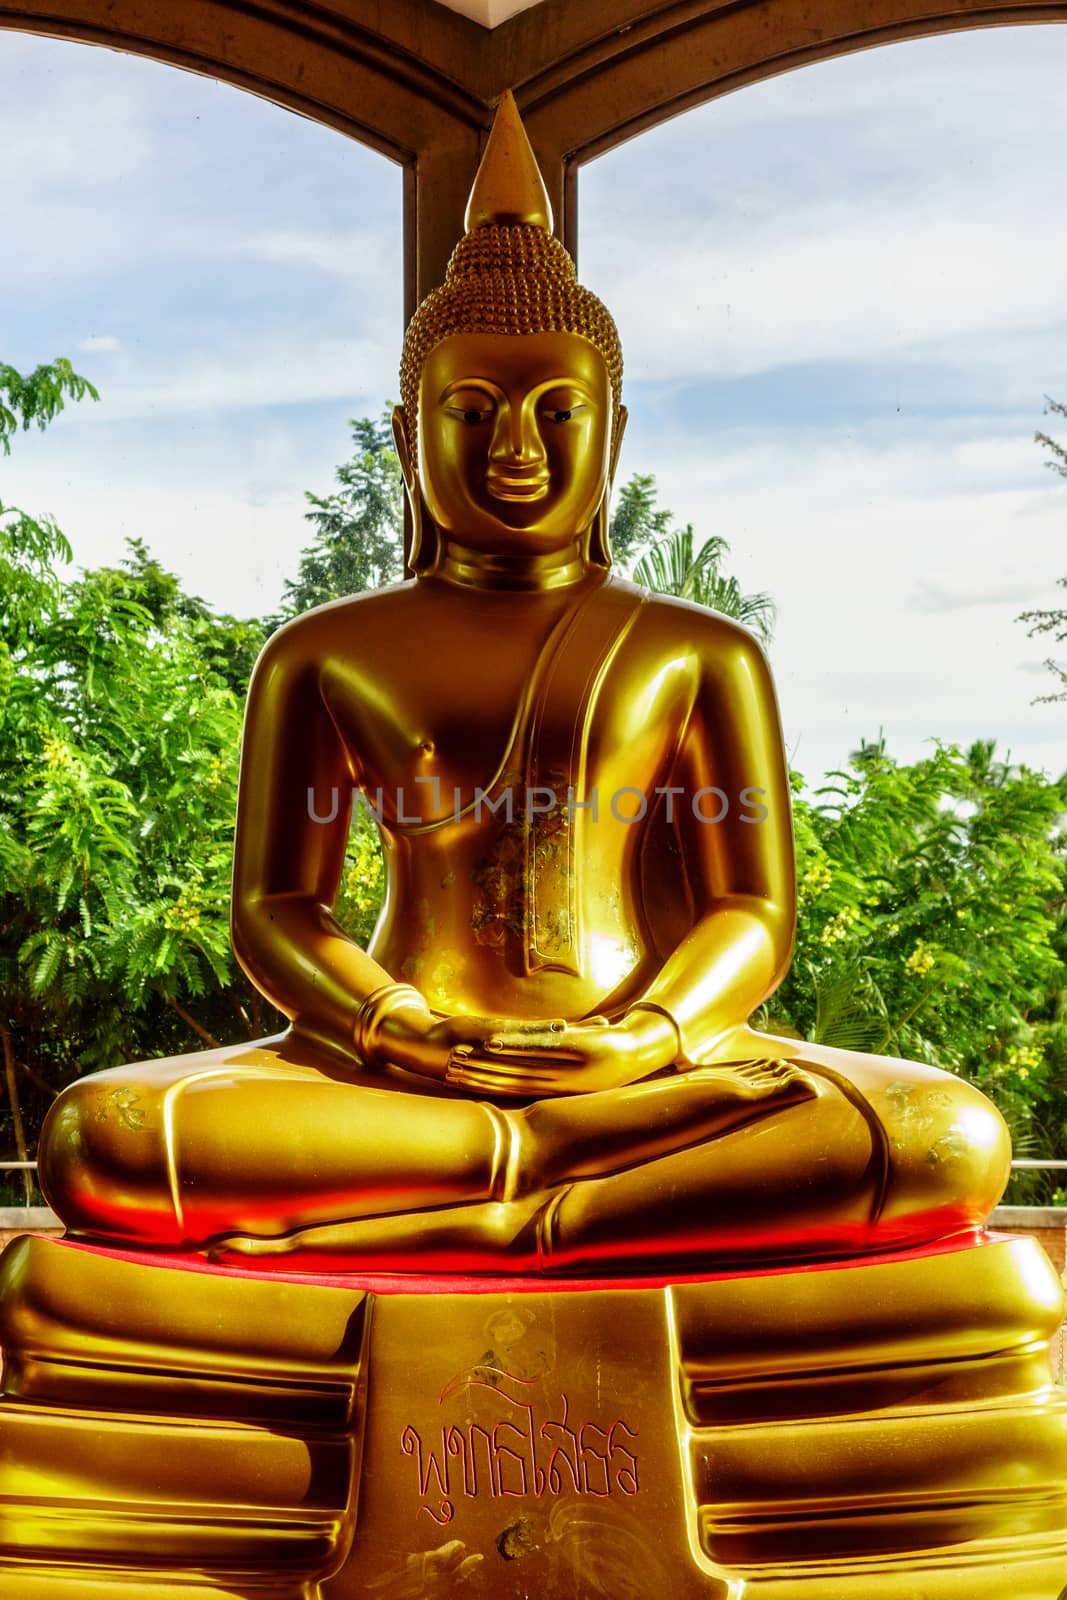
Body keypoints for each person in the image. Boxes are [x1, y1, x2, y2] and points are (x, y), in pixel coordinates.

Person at [38, 94, 1009, 1274]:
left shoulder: (697, 652)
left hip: (646, 1075)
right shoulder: (323, 651)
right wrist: (398, 1030)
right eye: (473, 411)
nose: (517, 450)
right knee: (111, 1135)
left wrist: (644, 1038)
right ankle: (552, 1202)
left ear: (615, 432)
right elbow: (277, 913)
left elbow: (750, 914)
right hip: (397, 1076)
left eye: (559, 413)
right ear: (409, 437)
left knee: (941, 1135)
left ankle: (510, 1212)